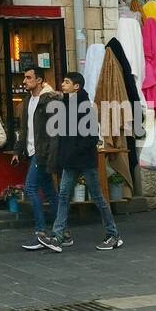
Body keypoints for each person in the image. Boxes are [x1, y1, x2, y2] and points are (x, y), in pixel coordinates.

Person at [38, 72, 122, 252]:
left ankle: (113, 234)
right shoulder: (65, 104)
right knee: (63, 196)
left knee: (98, 198)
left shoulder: (85, 106)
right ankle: (58, 236)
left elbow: (91, 138)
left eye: (67, 82)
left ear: (77, 86)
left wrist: (73, 153)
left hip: (84, 161)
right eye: (63, 81)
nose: (63, 84)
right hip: (70, 161)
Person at [10, 66, 68, 251]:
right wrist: (17, 151)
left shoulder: (49, 100)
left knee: (31, 188)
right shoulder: (28, 101)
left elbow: (55, 131)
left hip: (42, 153)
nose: (24, 81)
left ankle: (40, 232)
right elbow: (24, 129)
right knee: (51, 192)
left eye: (28, 78)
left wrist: (52, 155)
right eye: (24, 78)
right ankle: (63, 233)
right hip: (31, 151)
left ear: (40, 80)